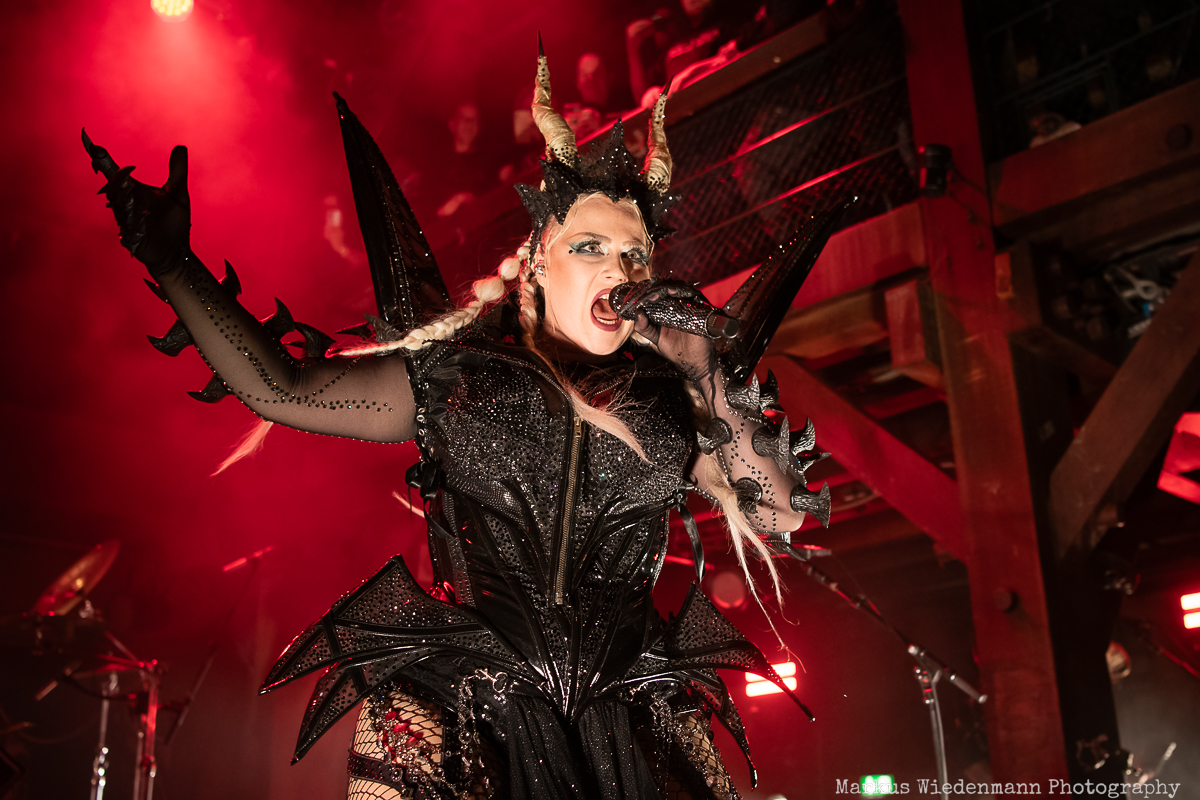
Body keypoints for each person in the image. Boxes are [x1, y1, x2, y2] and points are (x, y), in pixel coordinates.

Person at [83, 45, 835, 800]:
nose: (621, 271)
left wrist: (706, 374)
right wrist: (173, 263)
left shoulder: (670, 404)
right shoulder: (459, 379)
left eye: (636, 255)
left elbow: (781, 514)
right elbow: (282, 389)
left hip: (628, 726)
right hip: (469, 719)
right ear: (537, 263)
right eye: (590, 248)